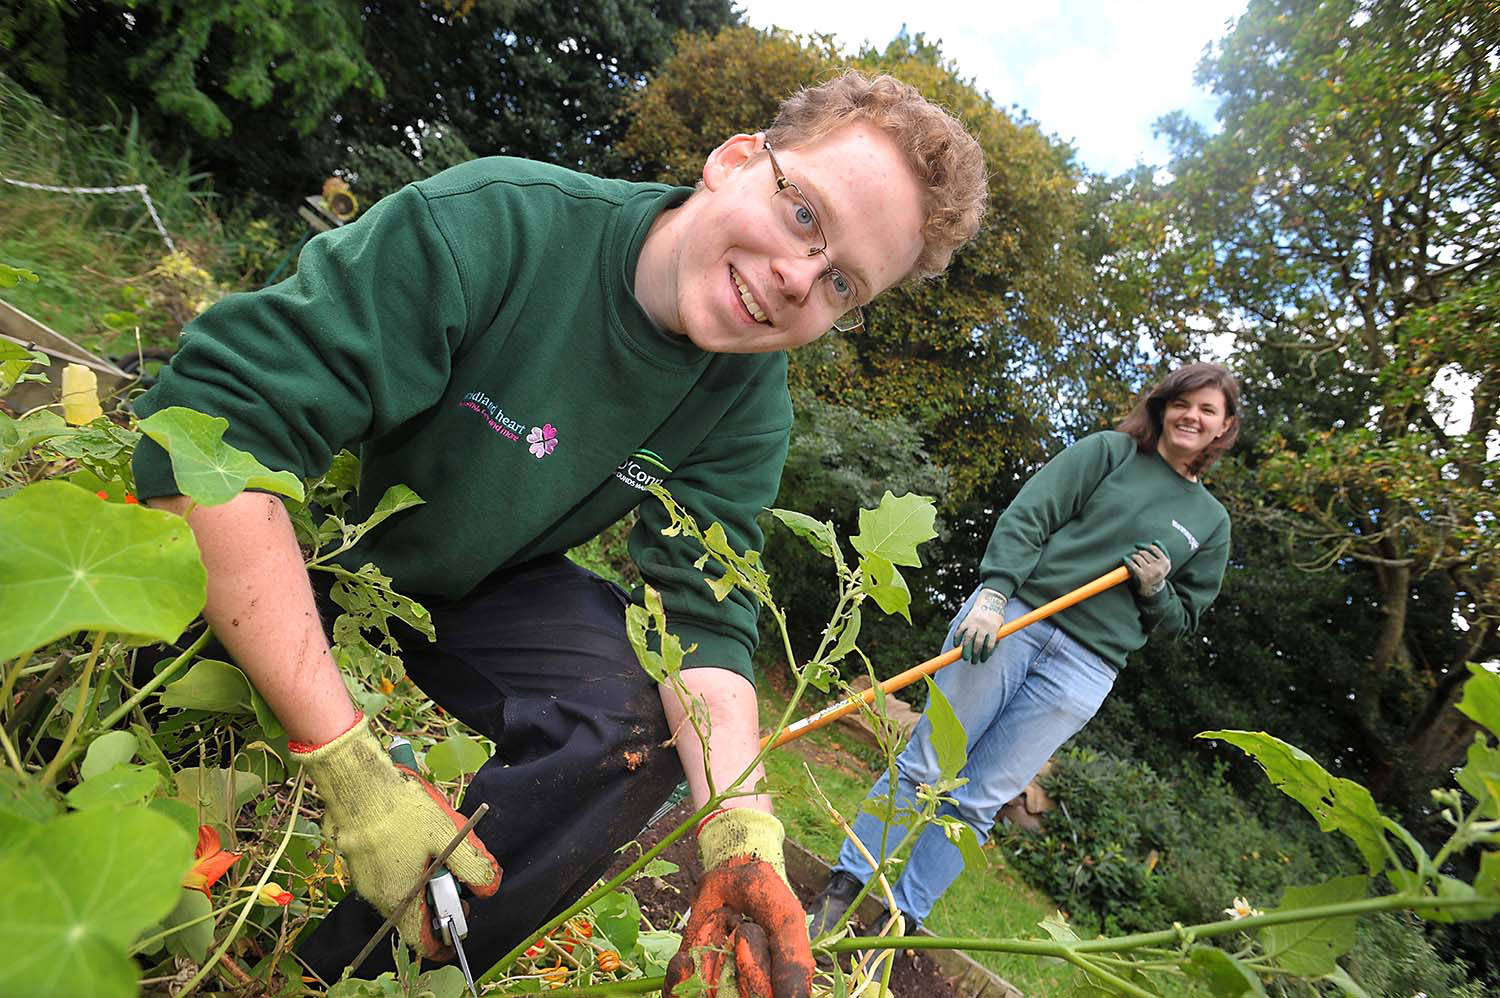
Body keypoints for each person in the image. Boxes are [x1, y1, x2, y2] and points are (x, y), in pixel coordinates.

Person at [131, 71, 988, 994]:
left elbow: (704, 615)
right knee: (157, 705)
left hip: (476, 579)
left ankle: (347, 974)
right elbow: (218, 425)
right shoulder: (501, 224)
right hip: (308, 530)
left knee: (641, 724)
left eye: (841, 285)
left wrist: (741, 832)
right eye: (805, 217)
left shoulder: (746, 400)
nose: (796, 280)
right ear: (735, 162)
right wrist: (344, 760)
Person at [807, 362, 1241, 935]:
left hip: (1086, 668)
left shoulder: (1210, 522)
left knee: (979, 801)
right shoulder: (1109, 453)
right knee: (926, 766)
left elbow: (1183, 617)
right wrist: (992, 595)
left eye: (1208, 410)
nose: (1193, 415)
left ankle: (898, 925)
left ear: (1223, 427)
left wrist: (1157, 590)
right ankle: (843, 890)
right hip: (1016, 621)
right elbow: (1030, 517)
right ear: (1163, 406)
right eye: (1184, 402)